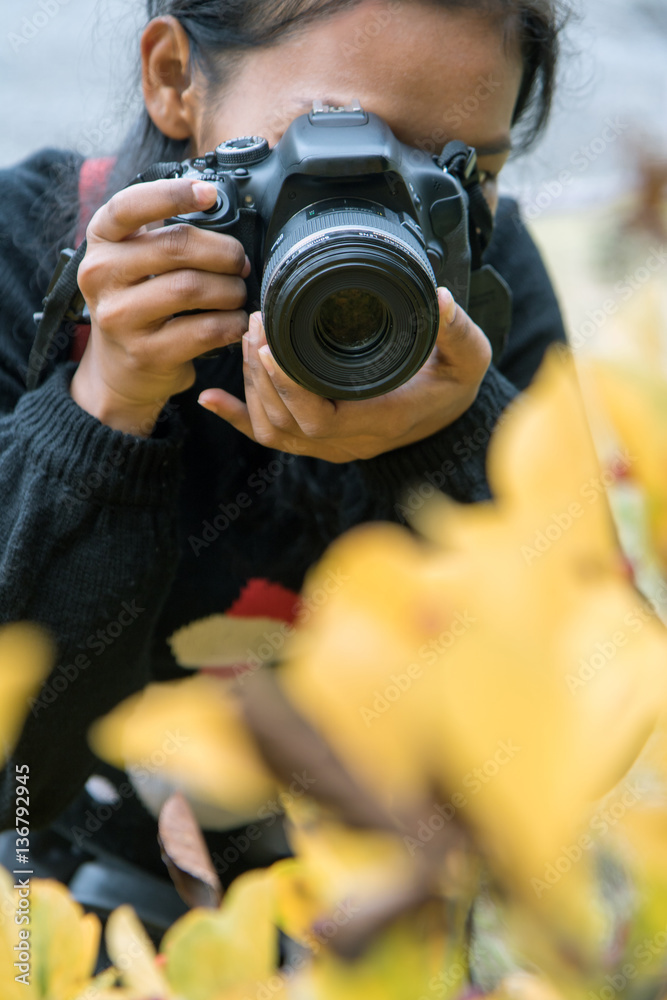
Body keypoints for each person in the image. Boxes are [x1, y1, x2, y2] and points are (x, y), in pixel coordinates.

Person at [0, 0, 567, 902]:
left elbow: (558, 738)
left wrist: (452, 439)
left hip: (373, 910)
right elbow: (13, 783)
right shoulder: (22, 261)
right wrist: (103, 404)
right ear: (175, 80)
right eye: (345, 146)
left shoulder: (482, 291)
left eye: (463, 171)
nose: (393, 227)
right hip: (51, 895)